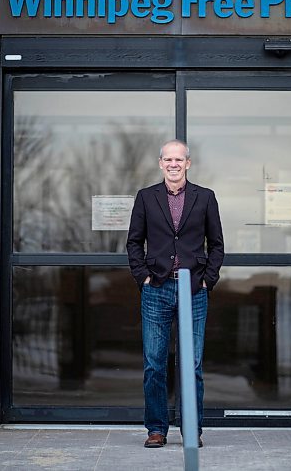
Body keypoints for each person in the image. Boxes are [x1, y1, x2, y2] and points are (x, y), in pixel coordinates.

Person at [126, 139, 224, 448]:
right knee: (154, 364)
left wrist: (208, 279)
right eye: (168, 159)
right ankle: (156, 429)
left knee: (191, 365)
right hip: (156, 289)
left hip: (193, 290)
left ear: (188, 163)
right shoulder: (146, 197)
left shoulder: (205, 198)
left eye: (178, 159)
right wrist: (142, 276)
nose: (173, 164)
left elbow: (217, 244)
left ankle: (191, 429)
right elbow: (133, 242)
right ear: (160, 163)